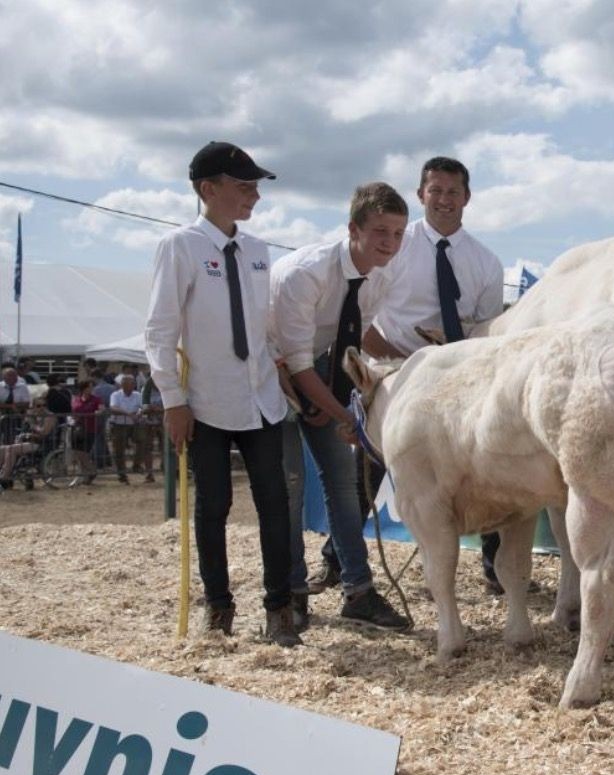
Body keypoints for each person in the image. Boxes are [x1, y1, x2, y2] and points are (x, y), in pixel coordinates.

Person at [145, 139, 300, 647]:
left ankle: (279, 609)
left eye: (256, 186)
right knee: (213, 507)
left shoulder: (258, 251)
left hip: (260, 398)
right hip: (206, 400)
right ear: (207, 189)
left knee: (275, 505)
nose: (254, 195)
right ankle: (219, 608)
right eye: (244, 186)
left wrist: (280, 369)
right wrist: (172, 398)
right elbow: (160, 330)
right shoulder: (181, 247)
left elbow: (263, 324)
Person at [361, 157, 508, 593]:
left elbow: (487, 331)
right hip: (393, 372)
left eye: (453, 192)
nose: (444, 200)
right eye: (436, 191)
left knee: (487, 462)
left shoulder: (485, 262)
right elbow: (361, 316)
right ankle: (342, 559)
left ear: (467, 197)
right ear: (421, 194)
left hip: (459, 376)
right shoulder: (393, 248)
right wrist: (400, 362)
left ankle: (494, 564)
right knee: (370, 466)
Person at [270, 181, 411, 631]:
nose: (389, 243)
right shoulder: (305, 274)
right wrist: (346, 415)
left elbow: (357, 334)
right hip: (268, 370)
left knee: (344, 484)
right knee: (289, 487)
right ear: (353, 228)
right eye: (380, 232)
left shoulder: (382, 274)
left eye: (397, 234)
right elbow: (293, 363)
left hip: (320, 364)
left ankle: (358, 590)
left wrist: (406, 365)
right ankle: (290, 593)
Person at [108, 373, 143, 484]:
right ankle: (122, 474)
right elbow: (113, 407)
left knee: (142, 443)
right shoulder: (115, 395)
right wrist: (128, 414)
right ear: (122, 385)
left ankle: (136, 465)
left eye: (132, 384)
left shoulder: (138, 395)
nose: (131, 386)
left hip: (135, 424)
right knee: (118, 450)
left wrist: (138, 413)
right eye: (128, 384)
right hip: (119, 425)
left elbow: (143, 406)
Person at [1, 365, 31, 446]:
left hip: (16, 417)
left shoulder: (22, 386)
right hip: (2, 416)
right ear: (4, 377)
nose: (14, 377)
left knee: (12, 439)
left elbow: (26, 403)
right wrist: (11, 406)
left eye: (15, 375)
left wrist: (13, 405)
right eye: (10, 375)